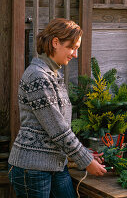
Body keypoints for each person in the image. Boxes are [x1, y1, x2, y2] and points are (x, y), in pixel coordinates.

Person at [8, 18, 107, 198]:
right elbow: (57, 129)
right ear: (55, 42)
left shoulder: (53, 75)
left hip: (56, 164)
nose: (75, 54)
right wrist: (85, 160)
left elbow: (60, 127)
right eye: (72, 47)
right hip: (32, 168)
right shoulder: (38, 76)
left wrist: (85, 154)